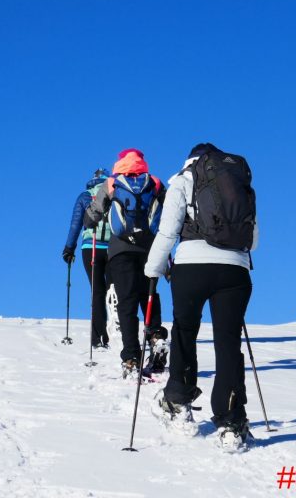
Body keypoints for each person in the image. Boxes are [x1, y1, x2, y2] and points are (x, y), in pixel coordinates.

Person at [144, 142, 258, 450]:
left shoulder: (183, 179)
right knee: (228, 343)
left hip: (191, 267)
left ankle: (178, 404)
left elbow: (167, 232)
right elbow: (254, 239)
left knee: (184, 332)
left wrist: (152, 270)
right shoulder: (239, 180)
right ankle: (232, 422)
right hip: (235, 271)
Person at [84, 149, 168, 377]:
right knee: (149, 296)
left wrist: (89, 221)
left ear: (121, 162)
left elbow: (93, 214)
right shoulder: (155, 182)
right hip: (150, 249)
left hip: (120, 250)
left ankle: (131, 357)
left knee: (126, 303)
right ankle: (156, 336)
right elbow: (170, 215)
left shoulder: (112, 183)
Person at [62, 168, 112, 348]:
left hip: (90, 247)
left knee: (97, 291)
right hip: (114, 248)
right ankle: (117, 332)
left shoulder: (84, 196)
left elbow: (75, 224)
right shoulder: (115, 193)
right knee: (114, 291)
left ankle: (98, 337)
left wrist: (69, 248)